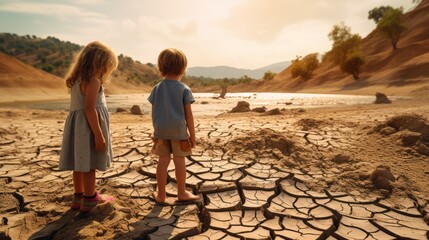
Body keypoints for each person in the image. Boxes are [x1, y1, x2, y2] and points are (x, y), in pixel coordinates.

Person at [59, 41, 117, 212]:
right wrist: (98, 134)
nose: (107, 71)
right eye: (107, 67)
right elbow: (89, 108)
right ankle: (90, 198)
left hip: (77, 129)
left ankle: (78, 197)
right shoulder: (93, 81)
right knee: (89, 165)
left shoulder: (76, 80)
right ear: (99, 64)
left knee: (79, 164)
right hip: (89, 129)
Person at [148, 48, 199, 204]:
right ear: (182, 68)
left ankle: (161, 195)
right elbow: (188, 115)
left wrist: (157, 129)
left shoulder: (157, 88)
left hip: (161, 132)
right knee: (179, 160)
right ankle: (182, 193)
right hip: (179, 132)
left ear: (161, 67)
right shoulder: (184, 89)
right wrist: (193, 135)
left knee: (163, 161)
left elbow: (153, 111)